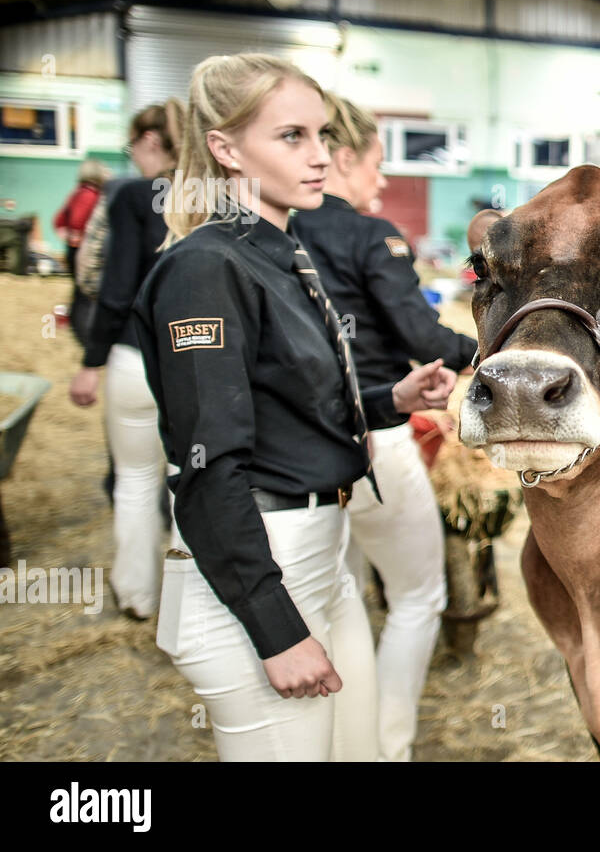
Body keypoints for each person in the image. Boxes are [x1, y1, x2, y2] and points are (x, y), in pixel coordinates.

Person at [132, 53, 457, 761]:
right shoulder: (205, 268)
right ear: (223, 147)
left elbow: (289, 410)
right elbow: (208, 466)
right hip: (262, 564)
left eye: (322, 136)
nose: (320, 157)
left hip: (324, 555)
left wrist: (388, 399)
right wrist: (274, 629)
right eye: (292, 137)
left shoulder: (280, 253)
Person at [292, 92, 477, 762]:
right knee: (418, 594)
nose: (383, 179)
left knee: (336, 597)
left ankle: (338, 741)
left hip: (301, 448)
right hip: (377, 434)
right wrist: (486, 356)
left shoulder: (274, 233)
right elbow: (416, 331)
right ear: (344, 157)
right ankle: (384, 747)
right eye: (376, 161)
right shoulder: (371, 235)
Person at [69, 100, 184, 620]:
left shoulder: (133, 196)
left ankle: (138, 595)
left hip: (136, 359)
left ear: (151, 142)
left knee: (136, 478)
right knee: (193, 481)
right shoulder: (221, 199)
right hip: (198, 363)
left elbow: (115, 288)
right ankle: (193, 603)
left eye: (132, 146)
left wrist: (90, 362)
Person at [54, 158, 110, 340]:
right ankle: (83, 332)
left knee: (79, 292)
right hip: (81, 250)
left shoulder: (77, 193)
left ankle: (76, 326)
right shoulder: (90, 196)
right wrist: (81, 240)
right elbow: (78, 222)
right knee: (84, 294)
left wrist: (70, 238)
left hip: (73, 249)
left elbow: (59, 221)